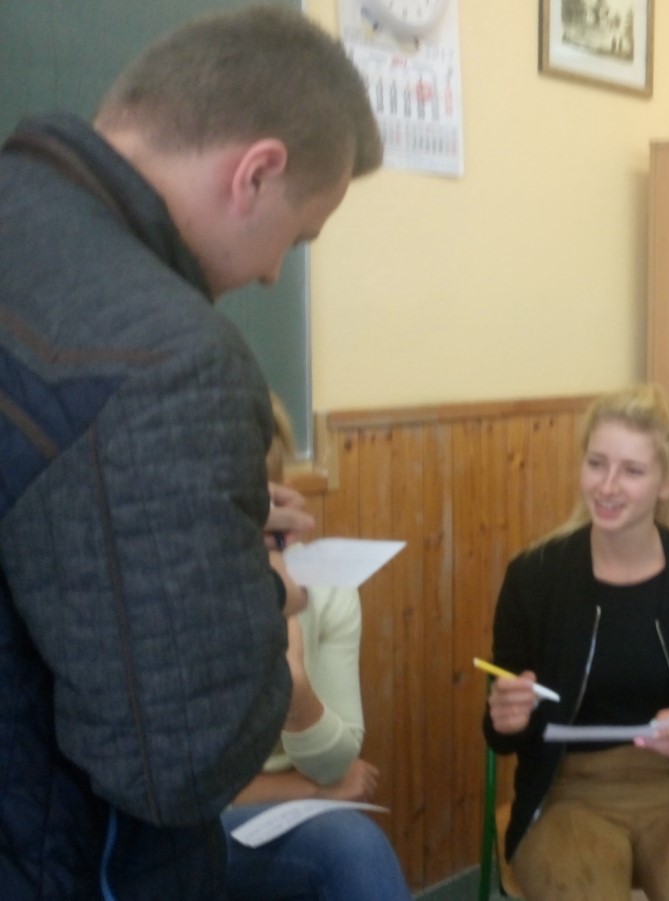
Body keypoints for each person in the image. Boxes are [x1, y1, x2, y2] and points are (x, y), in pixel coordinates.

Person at [0, 7, 381, 899]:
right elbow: (179, 758)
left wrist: (204, 520)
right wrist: (256, 584)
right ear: (257, 172)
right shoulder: (174, 360)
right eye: (297, 236)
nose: (274, 274)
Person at [482, 383, 669, 901]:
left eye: (632, 470)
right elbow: (502, 733)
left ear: (668, 480)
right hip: (566, 790)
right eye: (596, 464)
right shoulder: (533, 577)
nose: (607, 486)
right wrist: (505, 716)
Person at [220, 398, 409, 901]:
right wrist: (312, 790)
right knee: (348, 844)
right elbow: (183, 790)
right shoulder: (167, 592)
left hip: (271, 818)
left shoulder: (320, 588)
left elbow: (338, 760)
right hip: (181, 831)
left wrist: (297, 686)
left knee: (355, 848)